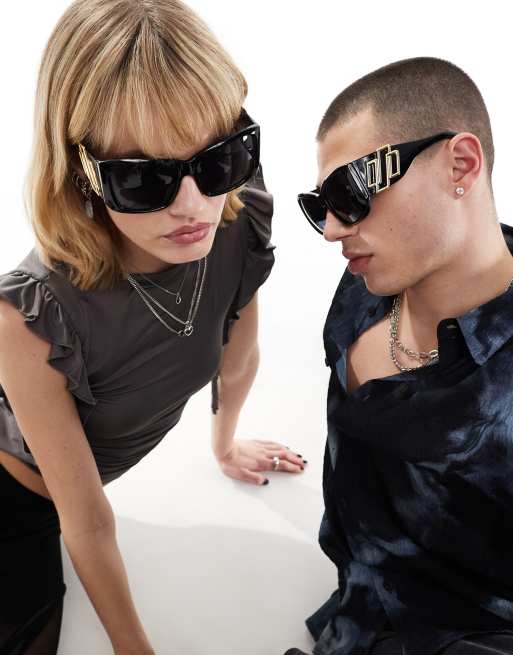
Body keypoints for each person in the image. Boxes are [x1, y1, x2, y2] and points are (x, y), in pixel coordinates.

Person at [0, 1, 308, 653]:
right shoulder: (27, 316)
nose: (193, 205)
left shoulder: (237, 213)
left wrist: (224, 444)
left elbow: (237, 353)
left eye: (218, 159)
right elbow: (87, 521)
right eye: (143, 179)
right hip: (16, 499)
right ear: (80, 169)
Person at [285, 57, 513, 655]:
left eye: (352, 192)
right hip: (349, 617)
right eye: (321, 204)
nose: (332, 229)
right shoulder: (365, 288)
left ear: (461, 165)